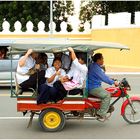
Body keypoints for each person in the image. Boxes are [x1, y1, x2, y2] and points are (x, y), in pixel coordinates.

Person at [88, 53, 118, 118]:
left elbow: (103, 76)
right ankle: (100, 113)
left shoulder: (95, 66)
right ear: (98, 60)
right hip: (93, 87)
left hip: (94, 86)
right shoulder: (95, 68)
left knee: (106, 91)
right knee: (107, 95)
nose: (103, 60)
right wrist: (114, 82)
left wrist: (111, 79)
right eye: (102, 59)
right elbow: (103, 77)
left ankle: (101, 108)